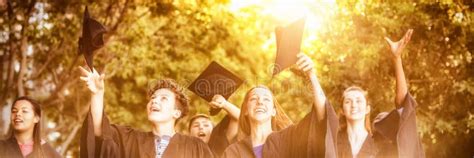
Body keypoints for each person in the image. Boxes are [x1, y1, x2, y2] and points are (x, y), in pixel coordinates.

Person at [314, 29, 425, 157]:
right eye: (348, 101)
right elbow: (322, 111)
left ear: (368, 109)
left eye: (359, 101)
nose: (354, 105)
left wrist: (396, 58)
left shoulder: (380, 143)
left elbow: (403, 106)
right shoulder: (334, 141)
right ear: (342, 110)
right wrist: (311, 74)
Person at [78, 67, 213, 158]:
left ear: (176, 113)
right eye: (153, 98)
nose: (154, 101)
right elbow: (99, 130)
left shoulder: (196, 147)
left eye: (163, 98)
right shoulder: (130, 139)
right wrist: (97, 94)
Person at [222, 53, 337, 158]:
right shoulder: (233, 152)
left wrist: (311, 74)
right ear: (245, 110)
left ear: (273, 111)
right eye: (253, 99)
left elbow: (321, 116)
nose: (260, 102)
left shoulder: (290, 139)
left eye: (266, 99)